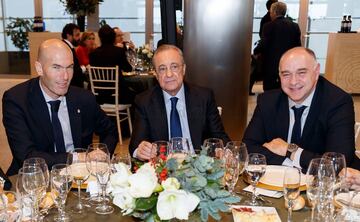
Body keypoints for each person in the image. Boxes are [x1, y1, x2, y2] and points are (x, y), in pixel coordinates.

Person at [2, 39, 118, 176]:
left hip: (81, 178)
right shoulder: (17, 100)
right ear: (39, 68)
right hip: (35, 179)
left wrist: (101, 153)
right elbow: (27, 156)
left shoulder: (83, 98)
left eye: (69, 67)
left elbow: (110, 130)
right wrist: (78, 158)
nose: (65, 77)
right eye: (56, 67)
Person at [243, 47, 357, 171]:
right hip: (276, 184)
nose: (293, 81)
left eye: (301, 73)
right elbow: (248, 148)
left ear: (317, 71)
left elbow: (337, 164)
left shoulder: (337, 102)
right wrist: (291, 163)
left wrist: (289, 150)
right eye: (286, 74)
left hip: (322, 187)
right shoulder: (268, 101)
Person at [129, 44, 230, 160]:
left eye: (174, 67)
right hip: (163, 169)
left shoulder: (204, 97)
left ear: (184, 69)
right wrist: (140, 150)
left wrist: (223, 150)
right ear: (156, 75)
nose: (169, 74)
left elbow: (219, 136)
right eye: (162, 69)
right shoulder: (144, 101)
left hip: (199, 167)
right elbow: (135, 145)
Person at [254, 2, 301, 91]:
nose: (270, 14)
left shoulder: (268, 26)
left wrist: (255, 51)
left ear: (275, 12)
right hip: (288, 64)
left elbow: (263, 44)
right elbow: (298, 47)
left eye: (271, 12)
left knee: (269, 91)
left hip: (271, 66)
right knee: (286, 89)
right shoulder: (294, 26)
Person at [89, 24, 134, 104]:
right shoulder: (118, 51)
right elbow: (128, 69)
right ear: (113, 37)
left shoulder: (93, 54)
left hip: (98, 95)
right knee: (137, 93)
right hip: (118, 95)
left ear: (100, 38)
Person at [62, 23, 86, 88]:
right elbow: (73, 71)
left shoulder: (66, 46)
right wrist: (84, 68)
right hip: (72, 87)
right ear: (68, 35)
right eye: (77, 35)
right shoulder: (66, 48)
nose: (79, 38)